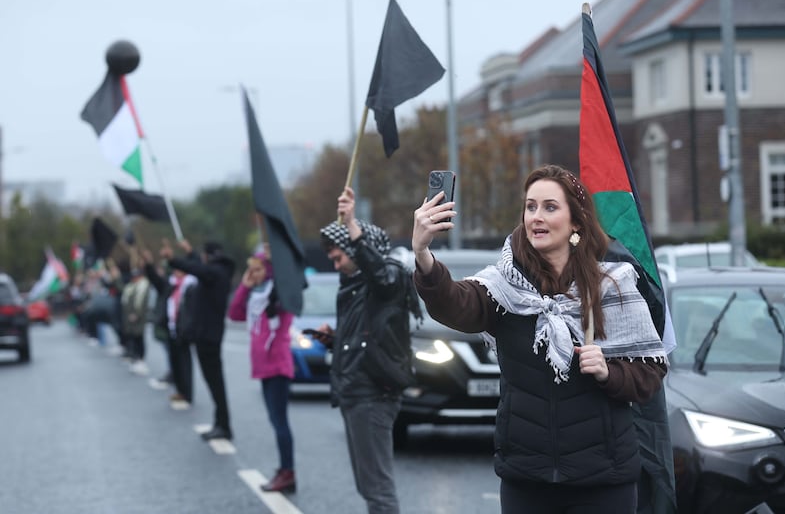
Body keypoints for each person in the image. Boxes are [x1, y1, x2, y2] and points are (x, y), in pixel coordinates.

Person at [411, 164, 668, 514]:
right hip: (526, 479)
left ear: (576, 221)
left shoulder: (613, 286)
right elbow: (455, 303)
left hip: (604, 478)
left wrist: (610, 373)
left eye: (550, 207)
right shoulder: (504, 288)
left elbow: (649, 375)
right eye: (530, 207)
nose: (536, 216)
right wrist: (424, 256)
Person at [314, 186, 410, 514]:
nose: (334, 260)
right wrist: (335, 338)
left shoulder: (386, 278)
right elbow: (367, 336)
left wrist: (353, 225)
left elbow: (380, 275)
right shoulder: (355, 288)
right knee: (368, 487)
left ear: (358, 250)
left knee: (378, 490)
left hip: (372, 395)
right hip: (356, 394)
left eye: (338, 253)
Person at [227, 245, 297, 493]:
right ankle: (285, 469)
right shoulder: (255, 297)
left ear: (267, 270)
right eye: (250, 269)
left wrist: (274, 261)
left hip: (277, 366)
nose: (252, 273)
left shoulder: (278, 298)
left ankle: (288, 472)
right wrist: (244, 285)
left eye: (256, 269)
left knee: (280, 422)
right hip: (263, 367)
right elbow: (234, 313)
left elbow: (288, 281)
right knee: (275, 420)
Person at [163, 239, 235, 440]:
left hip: (208, 337)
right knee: (214, 382)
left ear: (209, 256)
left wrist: (173, 259)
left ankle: (223, 425)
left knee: (215, 383)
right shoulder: (218, 272)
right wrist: (190, 252)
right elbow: (199, 268)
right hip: (208, 335)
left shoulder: (215, 273)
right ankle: (220, 423)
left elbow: (198, 270)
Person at [142, 247, 197, 407]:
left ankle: (187, 393)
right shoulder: (171, 285)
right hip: (171, 329)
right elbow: (156, 280)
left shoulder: (191, 285)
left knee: (185, 364)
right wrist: (148, 264)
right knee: (175, 362)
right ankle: (179, 390)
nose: (177, 273)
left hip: (184, 330)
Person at [120, 260, 152, 376]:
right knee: (133, 338)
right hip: (130, 318)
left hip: (139, 317)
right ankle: (136, 358)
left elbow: (143, 304)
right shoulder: (131, 287)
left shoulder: (143, 287)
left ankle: (141, 360)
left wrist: (137, 314)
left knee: (139, 338)